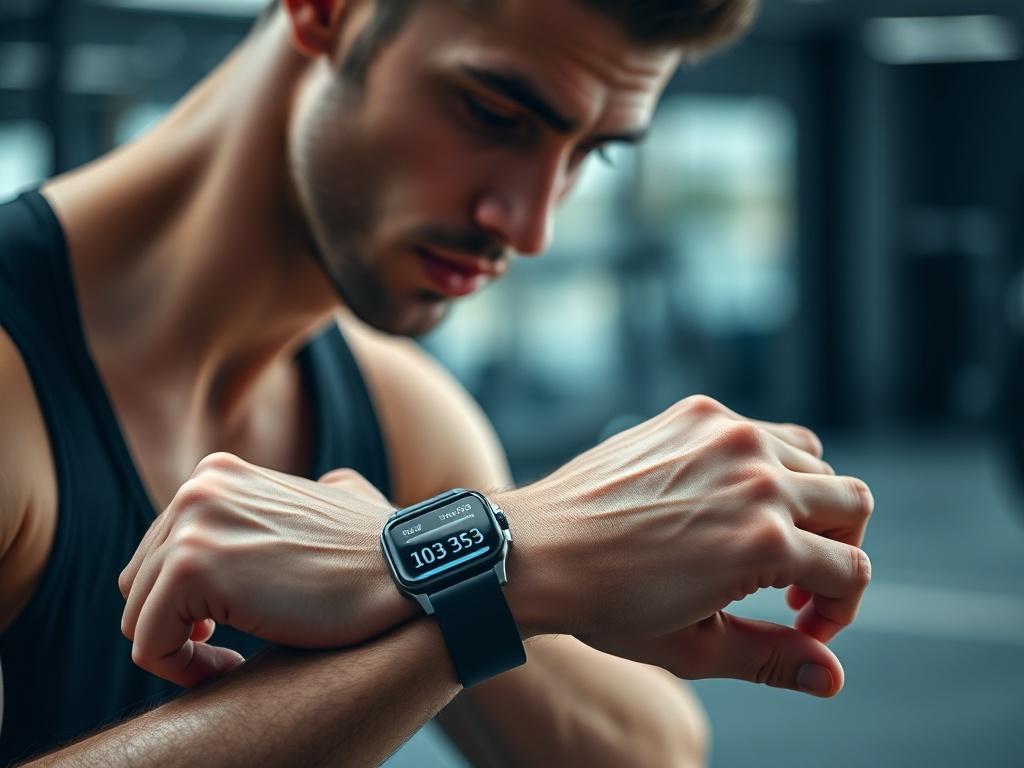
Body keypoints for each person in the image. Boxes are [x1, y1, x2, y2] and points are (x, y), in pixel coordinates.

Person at [0, 0, 874, 764]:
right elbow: (507, 574)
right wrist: (505, 556)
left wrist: (490, 562)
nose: (531, 225)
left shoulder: (401, 411)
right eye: (493, 113)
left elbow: (648, 754)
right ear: (325, 9)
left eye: (590, 154)